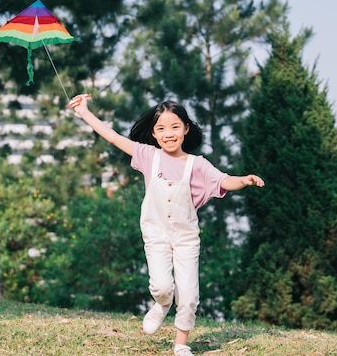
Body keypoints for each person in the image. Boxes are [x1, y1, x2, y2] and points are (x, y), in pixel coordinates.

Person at [66, 94, 265, 356]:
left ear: (185, 129)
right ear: (154, 133)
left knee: (190, 295)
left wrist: (245, 180)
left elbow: (224, 181)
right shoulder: (149, 156)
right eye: (161, 128)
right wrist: (84, 112)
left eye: (174, 127)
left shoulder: (198, 165)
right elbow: (113, 137)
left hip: (185, 238)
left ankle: (181, 344)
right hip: (156, 233)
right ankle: (161, 305)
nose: (168, 134)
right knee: (161, 286)